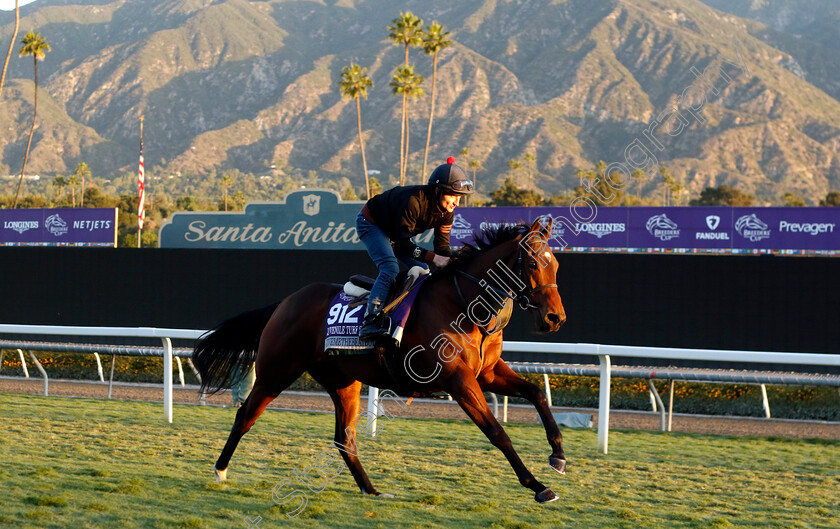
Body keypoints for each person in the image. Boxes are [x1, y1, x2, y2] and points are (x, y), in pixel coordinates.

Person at [356, 156, 474, 339]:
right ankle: (370, 320)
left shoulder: (447, 214)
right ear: (437, 191)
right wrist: (436, 258)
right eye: (453, 195)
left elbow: (442, 248)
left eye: (459, 197)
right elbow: (404, 244)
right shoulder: (414, 202)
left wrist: (454, 259)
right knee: (390, 267)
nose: (456, 202)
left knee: (423, 270)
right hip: (371, 224)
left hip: (396, 231)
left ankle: (397, 309)